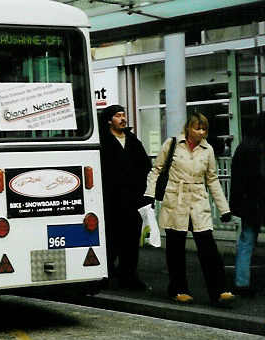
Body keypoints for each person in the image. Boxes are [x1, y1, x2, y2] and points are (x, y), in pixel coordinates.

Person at [145, 112, 234, 306]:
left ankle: (219, 291)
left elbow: (212, 179)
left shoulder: (207, 150)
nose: (201, 132)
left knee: (208, 247)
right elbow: (156, 170)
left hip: (198, 201)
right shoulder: (172, 144)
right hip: (175, 200)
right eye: (197, 128)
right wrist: (149, 195)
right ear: (188, 128)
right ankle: (178, 289)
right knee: (176, 248)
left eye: (204, 129)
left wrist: (224, 209)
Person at [98, 104, 153, 290]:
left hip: (132, 199)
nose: (122, 119)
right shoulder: (103, 141)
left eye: (123, 115)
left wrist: (143, 193)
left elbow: (145, 165)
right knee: (112, 239)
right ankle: (105, 273)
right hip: (111, 199)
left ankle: (129, 275)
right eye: (118, 116)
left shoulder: (132, 140)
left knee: (131, 240)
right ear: (109, 120)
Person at [229, 111, 265, 296]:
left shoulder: (243, 147)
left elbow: (237, 179)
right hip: (260, 201)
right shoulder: (260, 148)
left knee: (246, 241)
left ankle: (241, 281)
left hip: (248, 203)